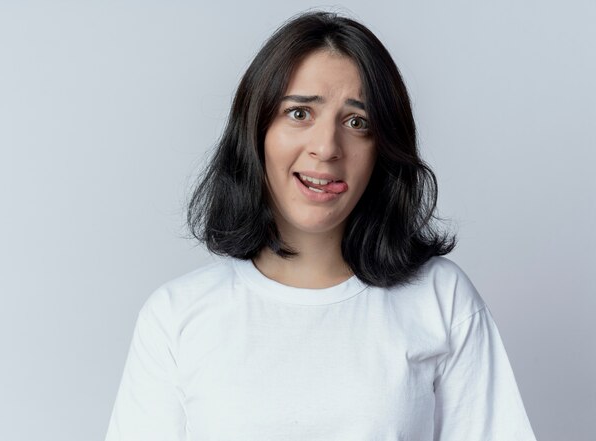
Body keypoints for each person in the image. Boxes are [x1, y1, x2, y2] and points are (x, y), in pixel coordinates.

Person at [105, 11, 538, 441]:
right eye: (299, 114)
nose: (327, 147)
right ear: (256, 130)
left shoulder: (442, 301)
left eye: (357, 122)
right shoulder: (177, 315)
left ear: (383, 149)